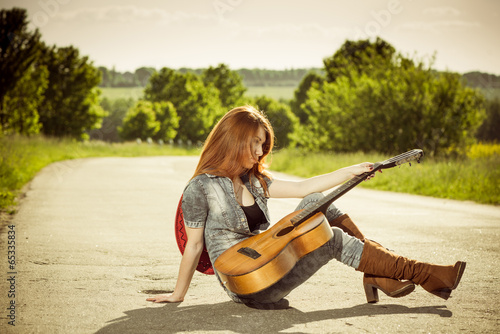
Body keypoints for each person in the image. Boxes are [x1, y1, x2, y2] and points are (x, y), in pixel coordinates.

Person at [147, 105, 465, 308]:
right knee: (332, 240)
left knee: (318, 202)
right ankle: (422, 274)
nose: (260, 151)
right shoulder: (200, 187)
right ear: (233, 140)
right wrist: (178, 295)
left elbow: (304, 187)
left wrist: (352, 170)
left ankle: (376, 271)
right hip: (251, 284)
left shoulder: (256, 182)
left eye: (263, 143)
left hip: (269, 256)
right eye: (254, 142)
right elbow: (195, 246)